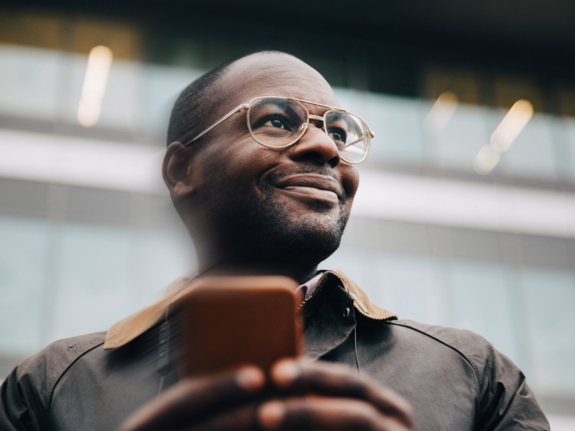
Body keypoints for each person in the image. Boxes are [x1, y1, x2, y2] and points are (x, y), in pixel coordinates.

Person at [0, 51, 549, 431]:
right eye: (276, 121)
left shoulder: (475, 373)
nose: (326, 148)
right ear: (181, 169)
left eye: (338, 131)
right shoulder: (49, 386)